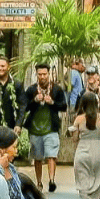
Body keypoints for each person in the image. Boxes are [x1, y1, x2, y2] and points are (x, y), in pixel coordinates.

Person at [23, 64, 67, 192]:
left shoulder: (56, 89)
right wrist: (34, 100)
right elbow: (24, 107)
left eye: (44, 74)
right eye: (40, 74)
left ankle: (51, 180)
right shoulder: (31, 90)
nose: (42, 77)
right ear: (36, 75)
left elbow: (63, 106)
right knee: (37, 157)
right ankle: (39, 182)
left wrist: (52, 102)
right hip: (35, 129)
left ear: (49, 74)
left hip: (51, 128)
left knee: (51, 155)